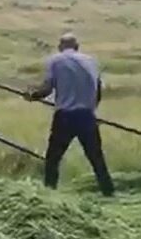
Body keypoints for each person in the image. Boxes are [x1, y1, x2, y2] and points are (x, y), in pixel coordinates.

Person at [26, 32, 115, 197]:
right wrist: (92, 109)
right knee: (96, 157)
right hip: (87, 116)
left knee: (53, 158)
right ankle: (108, 192)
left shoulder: (55, 60)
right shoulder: (91, 61)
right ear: (77, 47)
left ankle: (49, 193)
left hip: (65, 116)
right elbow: (98, 89)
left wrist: (33, 96)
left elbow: (47, 89)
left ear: (60, 47)